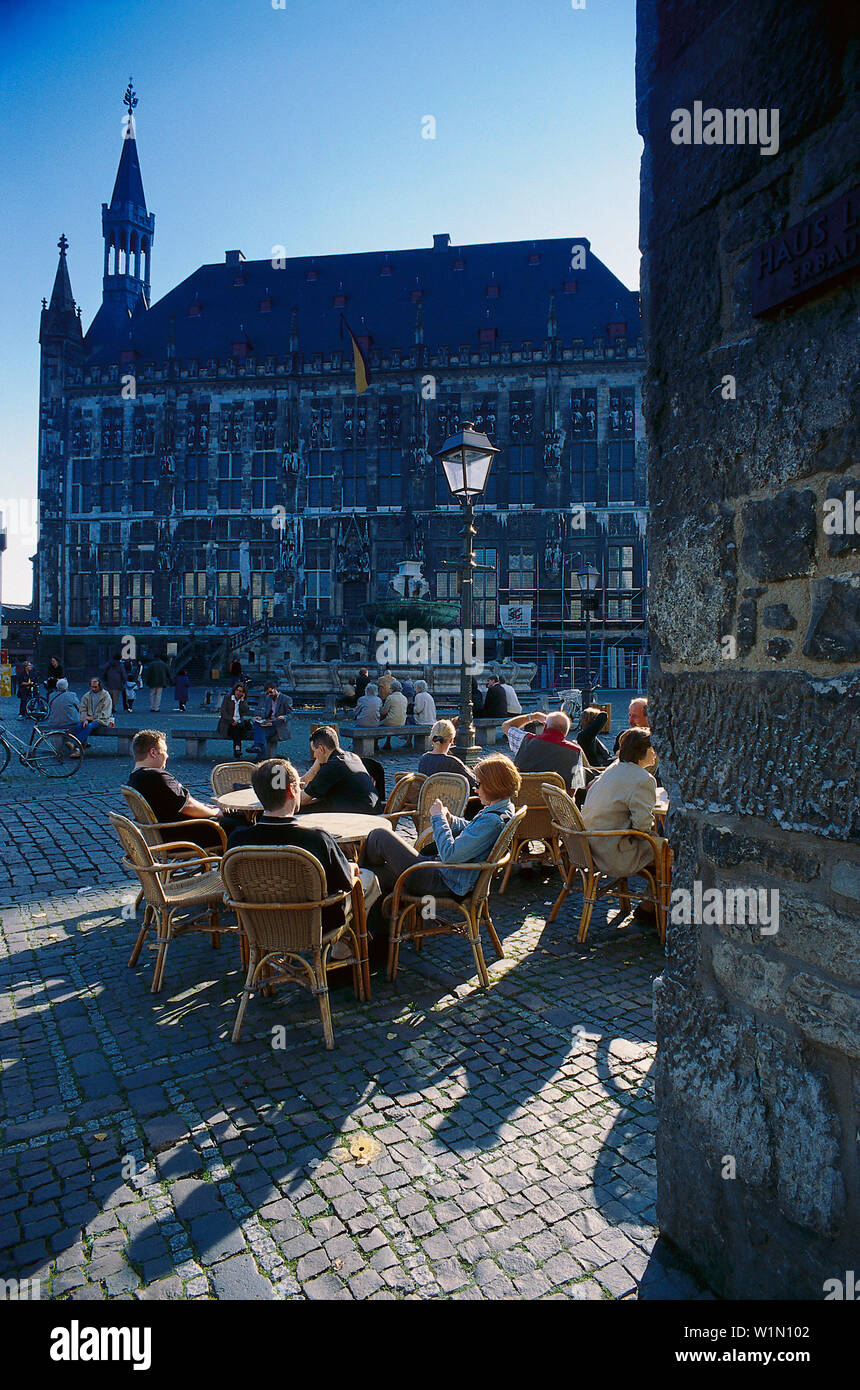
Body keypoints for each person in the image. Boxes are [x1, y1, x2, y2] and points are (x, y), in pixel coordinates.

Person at [226, 758, 380, 937]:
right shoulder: (317, 839)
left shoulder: (237, 840)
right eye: (299, 785)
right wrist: (351, 867)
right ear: (291, 790)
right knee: (369, 878)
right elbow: (344, 882)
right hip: (314, 924)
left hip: (260, 924)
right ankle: (344, 953)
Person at [364, 753, 519, 902]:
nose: (475, 789)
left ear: (493, 786)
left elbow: (449, 855)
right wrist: (450, 819)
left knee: (379, 836)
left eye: (478, 784)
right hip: (448, 874)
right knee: (380, 873)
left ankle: (362, 883)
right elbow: (472, 830)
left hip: (443, 881)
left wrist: (438, 818)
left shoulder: (492, 820)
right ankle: (376, 899)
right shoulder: (503, 809)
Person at [128, 729, 241, 850]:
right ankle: (243, 865)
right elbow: (187, 806)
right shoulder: (156, 776)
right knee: (240, 824)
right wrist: (216, 812)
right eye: (164, 751)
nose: (167, 756)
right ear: (153, 752)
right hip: (182, 835)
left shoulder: (134, 779)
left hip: (165, 834)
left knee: (235, 817)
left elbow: (182, 802)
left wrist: (207, 807)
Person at [581, 728, 664, 891]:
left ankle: (650, 904)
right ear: (646, 750)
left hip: (589, 845)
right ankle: (652, 908)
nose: (655, 754)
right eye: (654, 749)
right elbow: (642, 828)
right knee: (671, 852)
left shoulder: (613, 768)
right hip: (613, 853)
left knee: (660, 844)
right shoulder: (643, 779)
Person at [300, 725, 380, 814]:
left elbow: (302, 800)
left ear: (321, 749)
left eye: (314, 751)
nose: (314, 756)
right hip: (374, 811)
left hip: (360, 817)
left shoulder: (332, 767)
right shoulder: (352, 757)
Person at [502, 709, 585, 792]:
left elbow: (506, 725)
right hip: (556, 803)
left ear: (545, 726)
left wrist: (533, 716)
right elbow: (575, 786)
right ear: (566, 733)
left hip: (521, 797)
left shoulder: (525, 740)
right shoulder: (575, 751)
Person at [417, 719, 477, 792]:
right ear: (451, 740)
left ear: (432, 738)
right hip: (451, 801)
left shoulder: (423, 759)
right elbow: (474, 782)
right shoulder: (452, 762)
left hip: (427, 800)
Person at [250, 681, 292, 759]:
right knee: (257, 724)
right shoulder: (268, 698)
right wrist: (260, 718)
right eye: (267, 693)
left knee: (261, 734)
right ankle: (261, 752)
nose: (269, 694)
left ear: (275, 689)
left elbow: (291, 714)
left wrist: (284, 717)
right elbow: (266, 713)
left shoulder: (286, 699)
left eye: (270, 692)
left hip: (278, 725)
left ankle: (259, 750)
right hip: (268, 723)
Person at [70, 676, 112, 748]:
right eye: (92, 687)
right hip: (89, 719)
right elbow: (83, 709)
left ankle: (76, 745)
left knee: (89, 726)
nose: (93, 689)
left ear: (100, 686)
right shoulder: (86, 696)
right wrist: (85, 719)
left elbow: (105, 713)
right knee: (78, 726)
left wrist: (90, 718)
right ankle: (81, 746)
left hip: (101, 720)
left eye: (95, 687)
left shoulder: (105, 696)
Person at [218, 683, 251, 759]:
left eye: (241, 691)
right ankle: (237, 750)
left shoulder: (243, 700)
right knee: (236, 730)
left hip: (239, 724)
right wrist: (232, 721)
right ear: (234, 690)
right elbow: (223, 712)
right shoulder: (227, 698)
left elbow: (245, 710)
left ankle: (237, 750)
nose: (238, 693)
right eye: (237, 690)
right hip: (228, 723)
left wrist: (242, 701)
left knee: (238, 729)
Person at [379, 678, 408, 749]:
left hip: (391, 721)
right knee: (391, 717)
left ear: (392, 689)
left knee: (378, 723)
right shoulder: (404, 698)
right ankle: (387, 743)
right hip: (402, 722)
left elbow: (384, 711)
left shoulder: (390, 697)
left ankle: (375, 744)